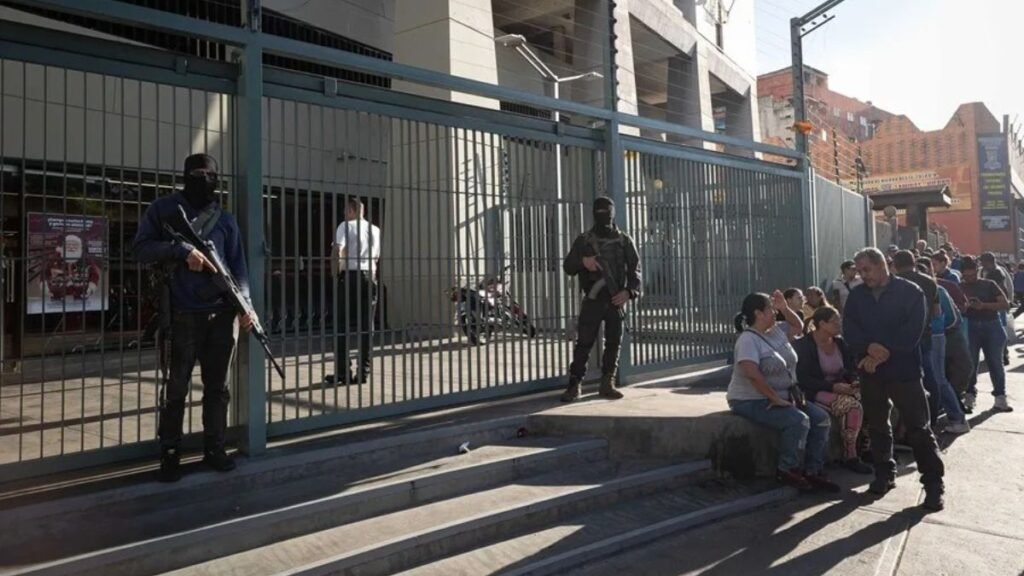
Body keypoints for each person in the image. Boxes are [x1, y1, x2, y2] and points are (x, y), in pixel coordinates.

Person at [133, 153, 256, 482]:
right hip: (181, 316)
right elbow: (141, 249)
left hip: (222, 317)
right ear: (185, 176)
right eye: (197, 175)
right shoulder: (164, 210)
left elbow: (239, 269)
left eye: (210, 175)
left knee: (218, 388)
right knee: (176, 389)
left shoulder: (225, 221)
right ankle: (170, 451)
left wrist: (246, 306)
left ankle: (214, 447)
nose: (204, 181)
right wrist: (181, 251)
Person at [843, 247, 945, 511]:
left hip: (904, 371)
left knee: (918, 429)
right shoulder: (857, 296)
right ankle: (884, 474)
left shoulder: (910, 292)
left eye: (867, 269)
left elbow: (913, 332)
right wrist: (868, 348)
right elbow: (850, 330)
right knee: (878, 425)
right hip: (871, 372)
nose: (863, 275)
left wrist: (882, 352)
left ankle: (933, 485)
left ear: (882, 265)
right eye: (860, 271)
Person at [728, 292, 839, 493]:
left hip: (786, 394)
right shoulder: (747, 340)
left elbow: (798, 326)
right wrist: (774, 398)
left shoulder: (776, 331)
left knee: (821, 419)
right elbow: (752, 374)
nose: (774, 312)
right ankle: (787, 468)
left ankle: (813, 469)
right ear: (758, 313)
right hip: (752, 399)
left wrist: (784, 308)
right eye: (771, 309)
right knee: (799, 421)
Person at [560, 196, 641, 402]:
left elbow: (636, 271)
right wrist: (583, 261)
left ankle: (607, 383)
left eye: (607, 213)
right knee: (584, 343)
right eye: (600, 213)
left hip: (616, 299)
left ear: (613, 214)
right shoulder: (584, 240)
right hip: (593, 299)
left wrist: (629, 292)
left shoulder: (624, 241)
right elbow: (568, 266)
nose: (604, 218)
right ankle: (574, 384)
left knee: (613, 343)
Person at [795, 306, 873, 474]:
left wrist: (853, 381)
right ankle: (850, 455)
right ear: (822, 324)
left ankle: (866, 448)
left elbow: (850, 367)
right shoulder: (804, 346)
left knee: (873, 400)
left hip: (842, 386)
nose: (839, 324)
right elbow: (803, 378)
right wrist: (832, 387)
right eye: (835, 321)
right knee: (851, 407)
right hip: (816, 391)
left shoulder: (839, 343)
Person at [327, 197, 381, 386]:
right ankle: (364, 371)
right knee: (367, 326)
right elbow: (376, 256)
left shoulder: (345, 226)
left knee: (341, 325)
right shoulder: (375, 230)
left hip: (349, 276)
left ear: (352, 210)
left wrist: (335, 273)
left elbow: (338, 250)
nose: (344, 214)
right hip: (370, 276)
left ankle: (343, 372)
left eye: (346, 210)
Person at [917, 260, 971, 434]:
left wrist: (934, 327)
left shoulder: (938, 290)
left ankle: (957, 418)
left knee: (938, 379)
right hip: (924, 338)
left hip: (936, 337)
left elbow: (952, 318)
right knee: (929, 380)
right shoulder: (911, 291)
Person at [891, 250, 941, 424]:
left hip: (900, 338)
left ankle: (909, 421)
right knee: (929, 376)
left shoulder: (894, 283)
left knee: (906, 379)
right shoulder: (930, 282)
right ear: (914, 262)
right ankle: (932, 417)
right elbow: (937, 312)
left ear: (895, 265)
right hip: (925, 334)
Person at [960, 256, 1014, 413]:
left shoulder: (989, 284)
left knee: (995, 363)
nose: (970, 279)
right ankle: (970, 395)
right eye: (967, 276)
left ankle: (1000, 397)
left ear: (977, 271)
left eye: (973, 275)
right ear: (962, 274)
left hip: (992, 325)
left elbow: (1004, 304)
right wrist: (965, 307)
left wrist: (983, 305)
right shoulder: (959, 287)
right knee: (970, 363)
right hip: (970, 325)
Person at [980, 252, 1013, 366]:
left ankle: (1003, 355)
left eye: (984, 262)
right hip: (994, 305)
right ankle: (1001, 354)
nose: (982, 265)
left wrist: (1006, 303)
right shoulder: (989, 271)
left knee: (999, 332)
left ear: (989, 262)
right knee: (998, 331)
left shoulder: (997, 273)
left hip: (997, 306)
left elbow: (1003, 289)